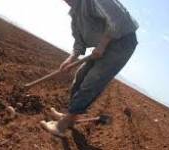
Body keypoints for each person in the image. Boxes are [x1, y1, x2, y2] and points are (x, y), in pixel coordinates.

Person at [41, 0, 139, 137]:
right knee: (80, 76)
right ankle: (71, 117)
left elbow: (118, 18)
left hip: (122, 42)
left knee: (93, 80)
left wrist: (103, 44)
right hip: (103, 45)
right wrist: (70, 60)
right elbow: (79, 42)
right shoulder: (75, 15)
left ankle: (62, 126)